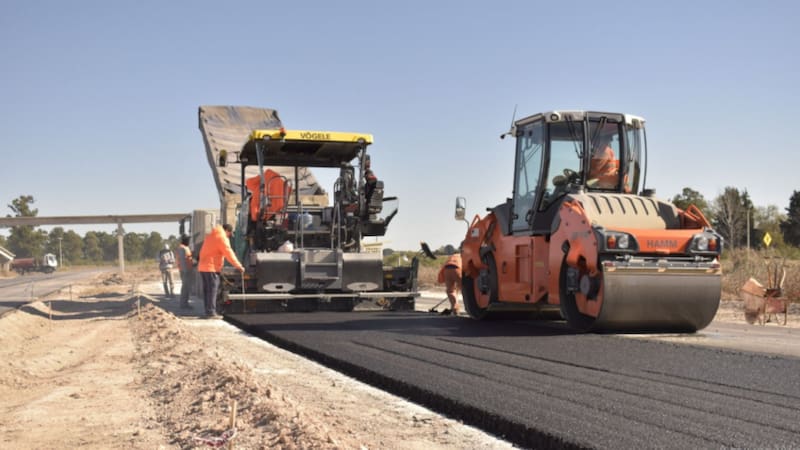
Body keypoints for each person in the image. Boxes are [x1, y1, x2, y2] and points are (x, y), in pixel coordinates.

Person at [197, 224, 245, 318]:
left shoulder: (211, 235)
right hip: (211, 268)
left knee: (207, 290)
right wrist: (239, 266)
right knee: (212, 290)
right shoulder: (221, 237)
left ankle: (208, 311)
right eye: (229, 234)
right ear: (227, 231)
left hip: (203, 267)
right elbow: (229, 253)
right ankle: (211, 313)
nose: (229, 236)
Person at [437, 248, 462, 316]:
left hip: (447, 270)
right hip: (457, 269)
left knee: (450, 291)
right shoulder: (463, 256)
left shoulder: (451, 257)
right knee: (465, 291)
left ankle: (455, 309)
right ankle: (472, 309)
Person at [174, 234, 194, 309]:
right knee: (185, 287)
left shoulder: (185, 247)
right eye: (188, 239)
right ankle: (183, 304)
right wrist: (185, 271)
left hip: (187, 270)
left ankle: (185, 303)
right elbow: (182, 261)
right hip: (185, 271)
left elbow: (188, 258)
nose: (189, 241)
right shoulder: (182, 248)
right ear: (185, 240)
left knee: (187, 287)